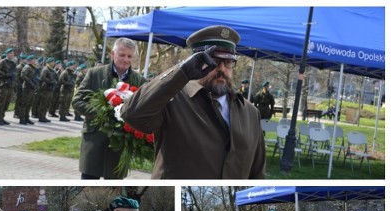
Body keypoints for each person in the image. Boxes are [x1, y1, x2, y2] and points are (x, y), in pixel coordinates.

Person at [119, 25, 266, 179]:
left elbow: (258, 173)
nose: (222, 69)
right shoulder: (173, 98)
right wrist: (182, 72)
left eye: (228, 62)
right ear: (197, 61)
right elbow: (132, 114)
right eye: (215, 60)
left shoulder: (250, 113)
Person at [73, 38, 147, 179]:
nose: (125, 59)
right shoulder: (94, 74)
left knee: (114, 186)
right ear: (113, 54)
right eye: (122, 54)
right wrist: (102, 114)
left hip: (121, 144)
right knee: (88, 183)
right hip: (94, 139)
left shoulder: (140, 81)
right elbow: (77, 101)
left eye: (129, 56)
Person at [0, 48, 17, 125]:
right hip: (4, 84)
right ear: (7, 54)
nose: (12, 55)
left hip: (10, 84)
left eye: (13, 53)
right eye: (11, 53)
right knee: (2, 102)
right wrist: (6, 74)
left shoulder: (13, 63)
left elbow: (14, 73)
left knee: (7, 102)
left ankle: (2, 117)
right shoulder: (3, 61)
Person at [19, 55, 39, 125]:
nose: (35, 61)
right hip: (27, 87)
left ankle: (26, 117)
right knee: (24, 103)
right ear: (30, 60)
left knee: (29, 103)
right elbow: (22, 75)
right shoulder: (27, 67)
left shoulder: (33, 67)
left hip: (31, 87)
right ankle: (22, 118)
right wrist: (29, 81)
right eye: (33, 59)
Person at [37, 57, 58, 123]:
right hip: (45, 88)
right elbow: (42, 78)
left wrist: (54, 82)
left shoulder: (52, 70)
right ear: (49, 62)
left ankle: (44, 116)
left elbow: (54, 78)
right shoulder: (45, 69)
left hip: (50, 88)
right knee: (43, 103)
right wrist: (50, 81)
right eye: (53, 62)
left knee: (47, 103)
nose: (54, 63)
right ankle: (41, 116)